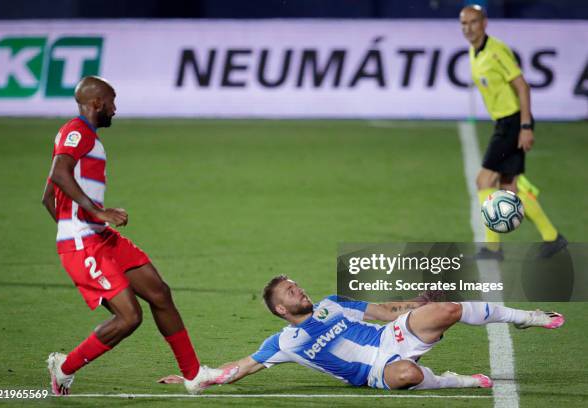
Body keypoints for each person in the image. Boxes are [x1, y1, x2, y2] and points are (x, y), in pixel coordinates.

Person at [41, 76, 236, 395]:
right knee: (130, 317)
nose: (115, 109)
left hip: (99, 237)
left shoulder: (86, 137)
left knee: (159, 292)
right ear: (97, 103)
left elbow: (47, 197)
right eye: (112, 101)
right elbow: (58, 174)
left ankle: (193, 374)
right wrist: (88, 220)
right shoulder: (76, 132)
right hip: (85, 241)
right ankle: (64, 367)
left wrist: (78, 225)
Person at [158, 275, 564, 392]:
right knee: (406, 375)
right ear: (282, 310)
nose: (299, 289)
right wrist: (200, 376)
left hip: (392, 336)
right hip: (376, 372)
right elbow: (240, 368)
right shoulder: (284, 343)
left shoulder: (333, 303)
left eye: (295, 284)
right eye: (290, 292)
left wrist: (417, 306)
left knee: (449, 309)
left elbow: (385, 311)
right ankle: (454, 381)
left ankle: (527, 317)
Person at [459, 4, 567, 260]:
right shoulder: (475, 51)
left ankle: (493, 247)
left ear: (484, 23)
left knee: (484, 181)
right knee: (509, 186)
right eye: (464, 23)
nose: (468, 28)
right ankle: (552, 237)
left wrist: (525, 126)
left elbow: (523, 87)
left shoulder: (496, 51)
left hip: (512, 123)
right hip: (504, 123)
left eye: (473, 22)